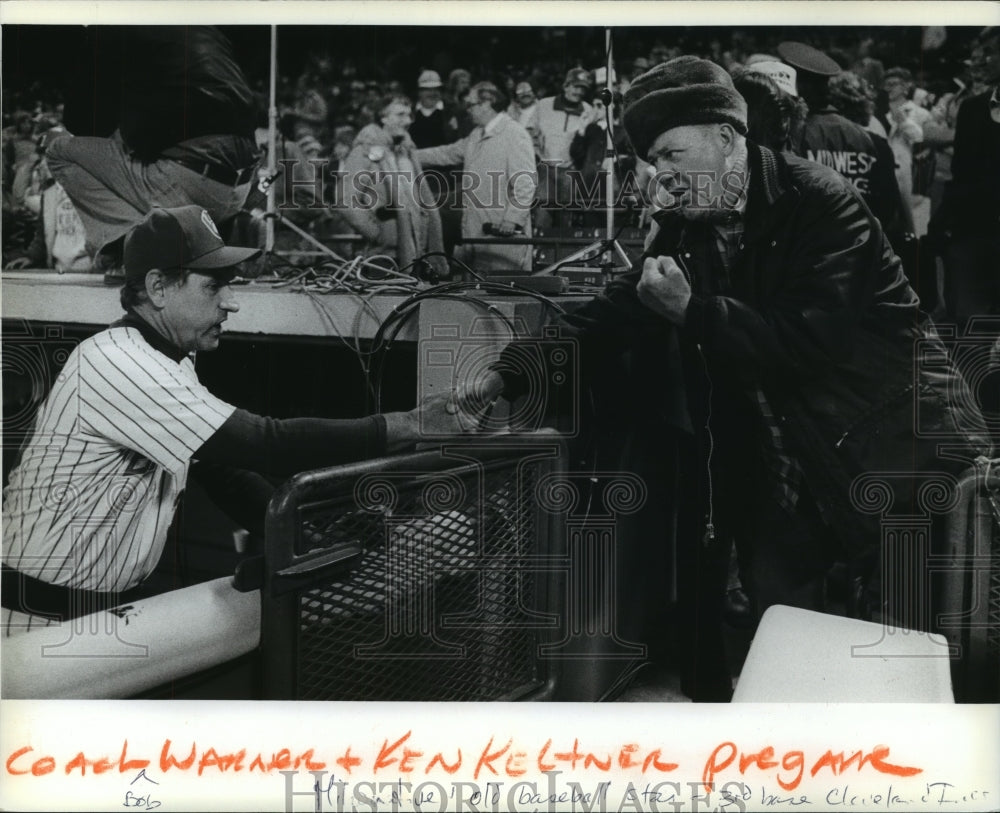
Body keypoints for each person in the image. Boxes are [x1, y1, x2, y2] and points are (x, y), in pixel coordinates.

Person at [472, 56, 990, 699]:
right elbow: (615, 313)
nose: (662, 176)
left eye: (672, 154)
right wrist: (510, 372)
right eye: (654, 162)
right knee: (797, 646)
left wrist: (693, 311)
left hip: (896, 455)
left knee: (915, 660)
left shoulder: (821, 201)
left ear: (726, 137)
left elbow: (806, 342)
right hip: (792, 466)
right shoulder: (686, 228)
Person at [1, 205, 467, 633]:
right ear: (159, 288)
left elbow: (218, 470)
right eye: (212, 286)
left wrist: (298, 534)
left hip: (91, 611)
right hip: (30, 618)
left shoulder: (170, 356)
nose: (231, 302)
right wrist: (409, 425)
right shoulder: (118, 362)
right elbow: (264, 442)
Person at [44, 26, 260, 269]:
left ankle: (131, 244)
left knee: (60, 151)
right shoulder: (206, 29)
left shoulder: (111, 28)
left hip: (190, 181)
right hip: (243, 184)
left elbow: (79, 121)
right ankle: (226, 226)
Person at [778, 41, 911, 247]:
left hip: (810, 253)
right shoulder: (874, 142)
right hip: (861, 250)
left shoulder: (791, 137)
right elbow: (887, 207)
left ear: (797, 87)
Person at [416, 81, 537, 273]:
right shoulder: (476, 135)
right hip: (476, 230)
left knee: (501, 289)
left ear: (487, 103)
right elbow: (447, 153)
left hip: (499, 233)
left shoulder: (514, 134)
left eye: (471, 105)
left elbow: (526, 182)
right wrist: (411, 156)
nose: (468, 111)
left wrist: (512, 220)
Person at [934, 27, 1000, 327]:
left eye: (990, 53)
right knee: (970, 329)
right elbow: (961, 174)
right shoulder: (972, 109)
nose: (981, 61)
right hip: (973, 236)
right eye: (978, 54)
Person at [340, 94, 447, 276]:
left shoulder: (406, 153)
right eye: (400, 115)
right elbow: (346, 201)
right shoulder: (363, 152)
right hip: (384, 256)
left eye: (409, 115)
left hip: (417, 253)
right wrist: (378, 233)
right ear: (383, 117)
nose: (407, 121)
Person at [535, 68, 596, 226]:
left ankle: (564, 251)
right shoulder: (544, 105)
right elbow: (530, 133)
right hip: (545, 167)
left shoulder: (588, 110)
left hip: (570, 169)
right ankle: (539, 249)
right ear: (566, 86)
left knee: (566, 215)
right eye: (576, 86)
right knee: (542, 211)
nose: (579, 91)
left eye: (583, 88)